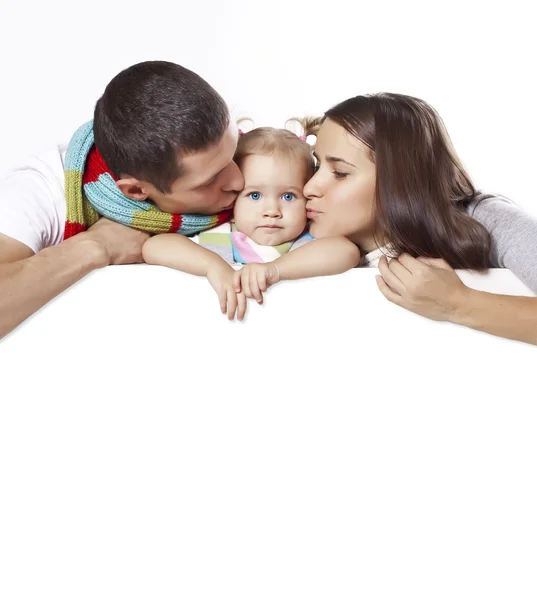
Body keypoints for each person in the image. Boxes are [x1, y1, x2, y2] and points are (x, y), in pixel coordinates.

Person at [0, 60, 244, 340]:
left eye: (234, 153)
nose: (238, 181)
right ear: (136, 191)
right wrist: (97, 245)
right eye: (210, 181)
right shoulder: (40, 193)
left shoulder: (241, 153)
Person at [303, 93, 537, 345]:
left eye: (339, 173)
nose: (308, 188)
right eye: (316, 166)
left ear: (400, 182)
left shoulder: (486, 220)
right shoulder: (292, 228)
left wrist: (457, 303)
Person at [142, 123, 360, 320]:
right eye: (255, 195)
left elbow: (346, 251)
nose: (272, 211)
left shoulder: (307, 242)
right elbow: (154, 246)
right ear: (233, 202)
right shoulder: (219, 235)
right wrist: (212, 266)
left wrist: (275, 270)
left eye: (288, 196)